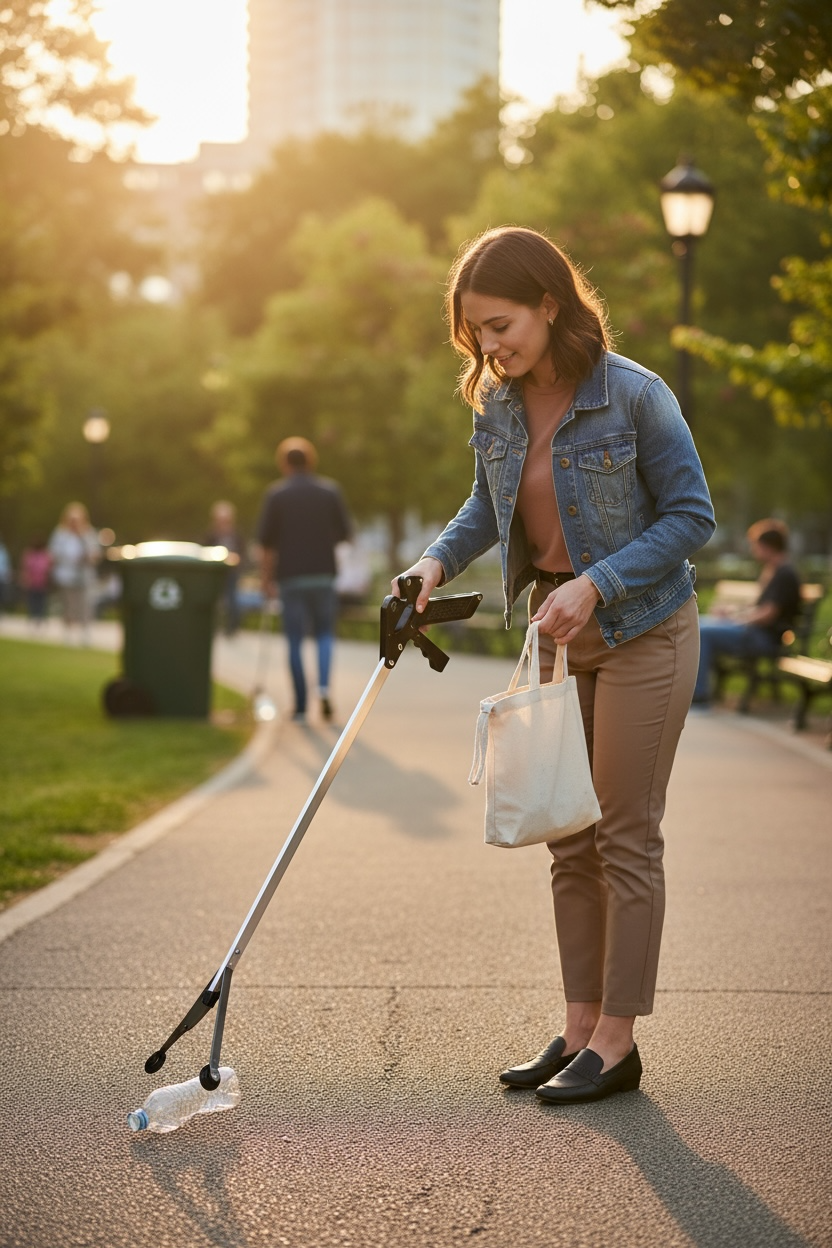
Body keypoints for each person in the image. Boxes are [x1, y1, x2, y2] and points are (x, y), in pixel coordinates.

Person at [393, 227, 715, 1104]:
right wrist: (430, 565)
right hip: (559, 638)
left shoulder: (635, 395)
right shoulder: (496, 405)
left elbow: (692, 517)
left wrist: (598, 585)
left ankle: (617, 1041)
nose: (489, 347)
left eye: (499, 325)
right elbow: (485, 506)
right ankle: (577, 1028)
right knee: (568, 839)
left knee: (622, 833)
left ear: (548, 301)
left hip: (645, 627)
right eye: (475, 335)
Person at [257, 436, 353, 722]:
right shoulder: (329, 492)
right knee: (324, 634)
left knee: (295, 640)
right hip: (323, 574)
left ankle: (300, 704)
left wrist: (266, 580)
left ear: (284, 464)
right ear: (311, 461)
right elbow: (345, 533)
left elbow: (266, 544)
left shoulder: (277, 495)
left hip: (291, 576)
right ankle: (323, 689)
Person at [692, 518, 802, 706]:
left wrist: (737, 619)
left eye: (756, 545)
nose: (754, 550)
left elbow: (768, 614)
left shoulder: (785, 573)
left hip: (766, 639)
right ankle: (695, 689)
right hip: (756, 632)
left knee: (702, 632)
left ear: (768, 547)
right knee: (698, 623)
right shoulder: (774, 570)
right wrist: (732, 613)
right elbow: (761, 608)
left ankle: (699, 695)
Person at [47, 502, 101, 643]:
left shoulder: (89, 533)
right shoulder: (60, 533)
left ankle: (85, 633)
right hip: (66, 575)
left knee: (85, 604)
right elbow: (53, 553)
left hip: (85, 575)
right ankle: (68, 633)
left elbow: (95, 553)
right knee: (68, 604)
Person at [204, 500, 245, 636]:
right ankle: (212, 626)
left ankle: (232, 628)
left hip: (232, 571)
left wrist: (237, 559)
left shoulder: (236, 533)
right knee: (214, 599)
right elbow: (205, 550)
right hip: (215, 572)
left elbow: (242, 552)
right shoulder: (211, 534)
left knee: (232, 599)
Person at [19, 537, 53, 627]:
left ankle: (40, 619)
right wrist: (26, 579)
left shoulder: (45, 555)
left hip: (42, 582)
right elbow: (26, 568)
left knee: (41, 602)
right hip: (32, 582)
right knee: (32, 602)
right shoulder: (29, 554)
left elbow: (48, 568)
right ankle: (32, 618)